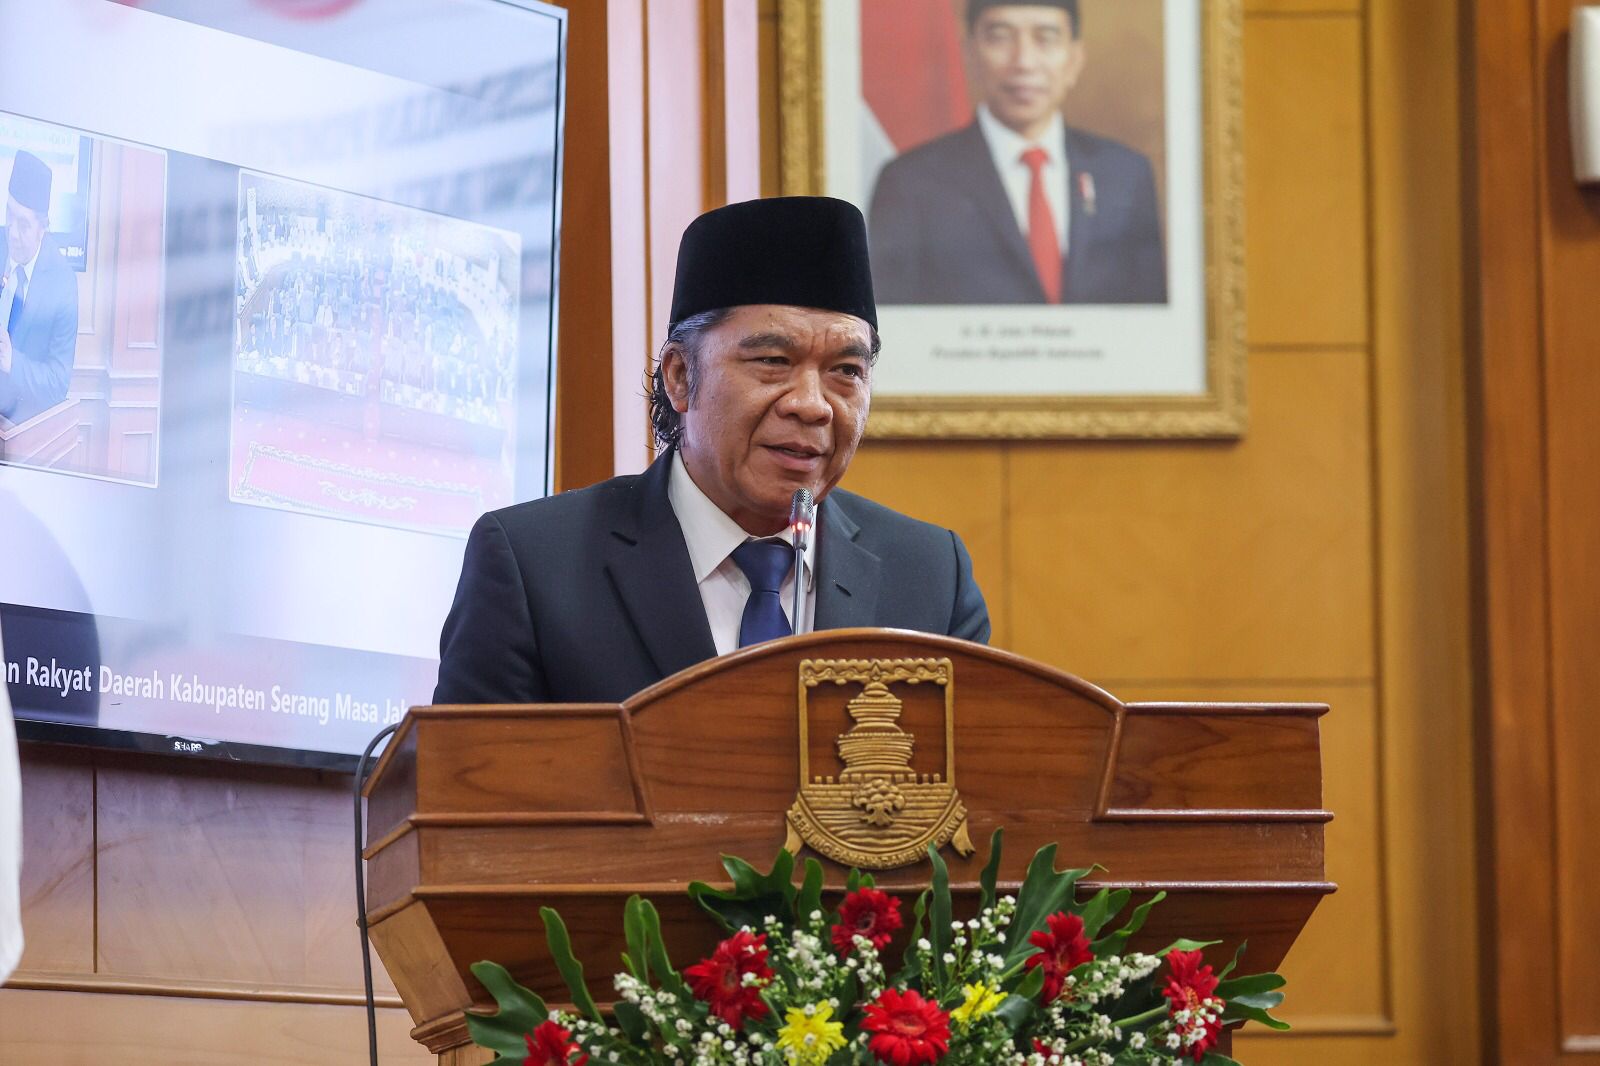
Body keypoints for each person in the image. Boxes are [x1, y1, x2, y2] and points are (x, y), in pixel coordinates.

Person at [433, 196, 990, 705]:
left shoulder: (929, 577)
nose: (812, 405)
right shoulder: (535, 565)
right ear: (680, 376)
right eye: (772, 362)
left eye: (846, 371)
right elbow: (474, 780)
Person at [868, 0, 1167, 306]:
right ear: (969, 54)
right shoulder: (910, 182)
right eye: (1001, 37)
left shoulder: (1126, 174)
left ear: (1075, 59)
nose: (1024, 62)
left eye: (1045, 38)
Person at [0, 150, 79, 423]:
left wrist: (12, 362)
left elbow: (58, 383)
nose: (12, 233)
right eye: (9, 215)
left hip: (21, 425)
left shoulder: (63, 284)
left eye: (23, 225)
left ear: (43, 228)